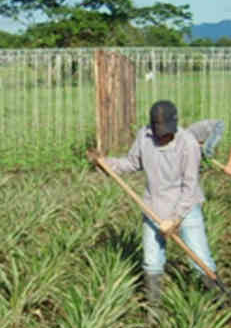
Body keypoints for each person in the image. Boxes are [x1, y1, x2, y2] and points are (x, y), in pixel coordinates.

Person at [93, 100, 219, 303]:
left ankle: (216, 299)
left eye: (166, 130)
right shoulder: (144, 136)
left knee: (200, 258)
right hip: (154, 206)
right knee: (151, 262)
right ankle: (154, 310)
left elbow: (189, 187)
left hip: (185, 207)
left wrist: (175, 218)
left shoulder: (188, 143)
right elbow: (133, 162)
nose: (162, 135)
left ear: (175, 124)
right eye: (158, 129)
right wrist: (108, 164)